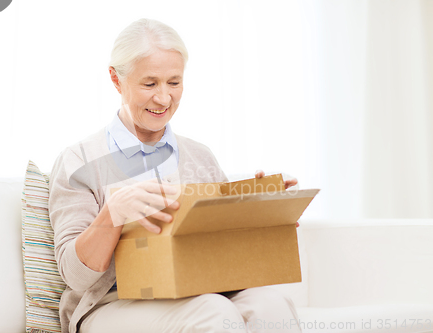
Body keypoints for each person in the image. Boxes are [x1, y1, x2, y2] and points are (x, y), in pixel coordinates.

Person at [48, 18, 301, 333]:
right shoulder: (79, 160)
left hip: (199, 290)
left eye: (174, 82)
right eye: (150, 83)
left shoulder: (200, 155)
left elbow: (227, 247)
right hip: (111, 304)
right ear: (116, 80)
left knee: (270, 305)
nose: (164, 99)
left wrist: (266, 211)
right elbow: (76, 276)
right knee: (212, 311)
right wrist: (112, 214)